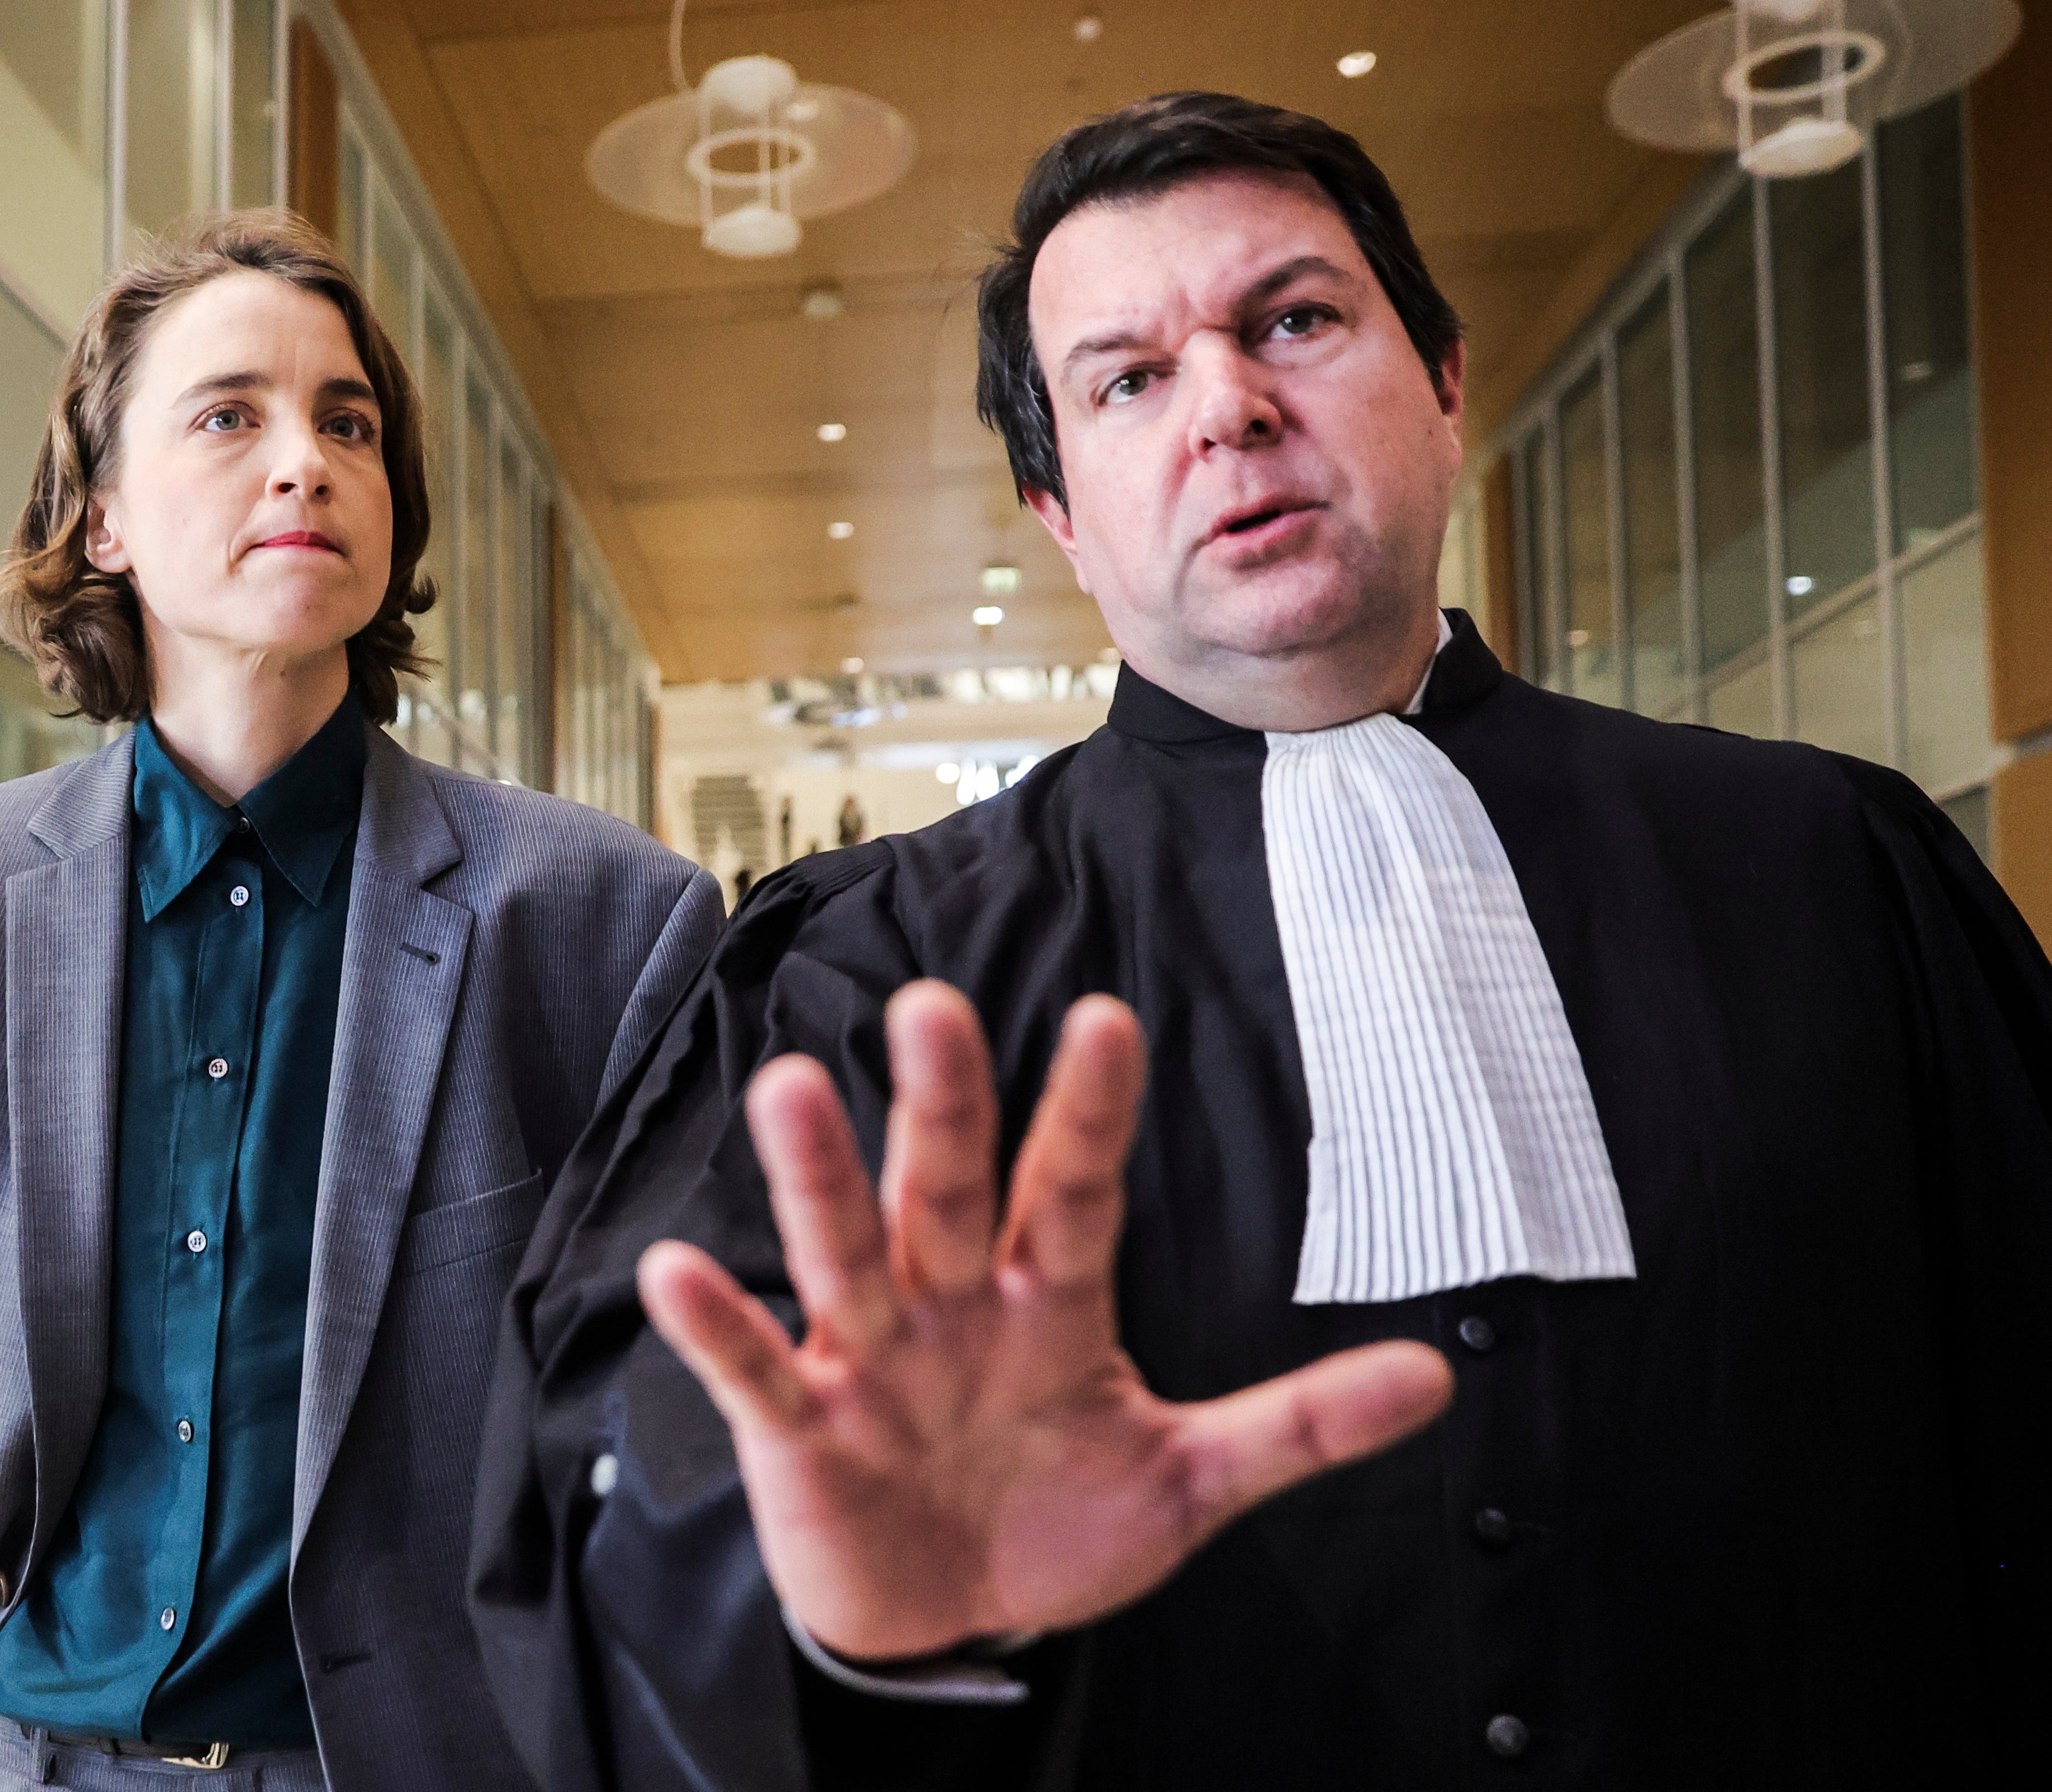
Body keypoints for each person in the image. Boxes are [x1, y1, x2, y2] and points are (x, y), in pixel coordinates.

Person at [476, 90, 2052, 1789]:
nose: (1227, 407)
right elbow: (640, 1521)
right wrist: (863, 1627)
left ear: (1443, 387)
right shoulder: (869, 974)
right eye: (1128, 380)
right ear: (1061, 512)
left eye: (1295, 321)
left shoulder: (1830, 864)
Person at [0, 211, 721, 1792]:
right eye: (229, 416)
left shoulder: (601, 920)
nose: (304, 460)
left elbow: (652, 1445)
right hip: (32, 1754)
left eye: (345, 422)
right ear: (104, 523)